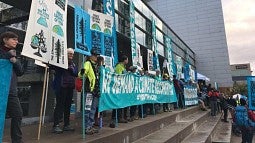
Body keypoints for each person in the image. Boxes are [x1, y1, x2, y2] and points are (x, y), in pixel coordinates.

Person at [0, 31, 24, 143]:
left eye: (17, 39)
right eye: (13, 39)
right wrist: (6, 56)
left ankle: (17, 140)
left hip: (11, 90)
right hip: (1, 89)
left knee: (18, 114)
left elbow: (20, 72)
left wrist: (15, 61)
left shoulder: (15, 53)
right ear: (5, 40)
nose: (16, 41)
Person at [52, 48, 78, 133]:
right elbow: (54, 68)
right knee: (60, 105)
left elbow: (76, 73)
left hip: (70, 86)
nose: (71, 55)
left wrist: (71, 70)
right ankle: (56, 125)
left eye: (72, 54)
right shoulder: (60, 62)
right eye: (69, 53)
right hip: (61, 86)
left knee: (68, 106)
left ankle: (66, 124)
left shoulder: (73, 64)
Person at [79, 49, 100, 134]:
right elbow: (81, 75)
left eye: (97, 55)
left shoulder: (97, 65)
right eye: (95, 55)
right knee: (87, 109)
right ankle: (86, 127)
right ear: (90, 55)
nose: (96, 57)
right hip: (89, 90)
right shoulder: (88, 63)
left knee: (93, 109)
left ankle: (90, 126)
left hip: (95, 91)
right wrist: (82, 72)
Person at [109, 55, 129, 128]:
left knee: (121, 103)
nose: (127, 61)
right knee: (117, 103)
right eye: (127, 59)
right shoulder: (118, 67)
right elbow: (118, 76)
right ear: (124, 60)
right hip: (118, 88)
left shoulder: (123, 67)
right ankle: (116, 117)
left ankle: (120, 117)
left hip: (123, 89)